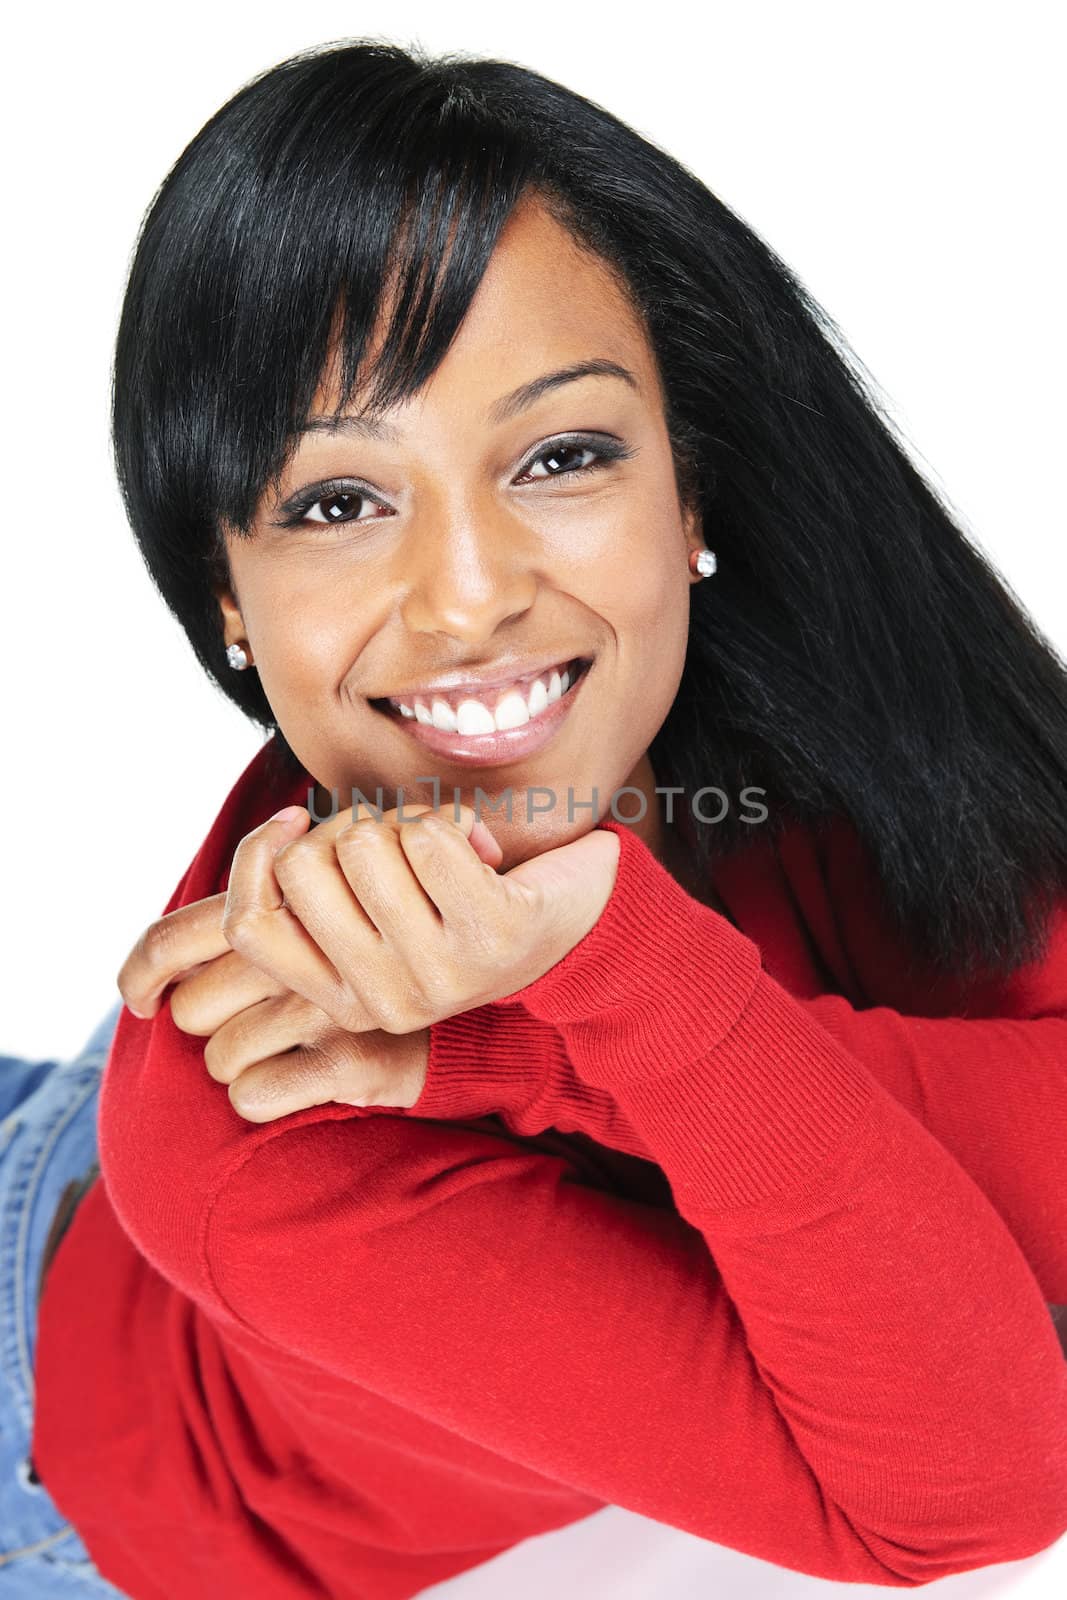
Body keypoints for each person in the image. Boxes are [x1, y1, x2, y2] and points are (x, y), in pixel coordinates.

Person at [4, 34, 1067, 1600]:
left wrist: (547, 1029)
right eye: (338, 501)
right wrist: (629, 986)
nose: (475, 592)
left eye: (562, 455)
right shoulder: (259, 1115)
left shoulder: (860, 720)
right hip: (59, 1432)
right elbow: (962, 1500)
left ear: (691, 492)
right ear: (226, 592)